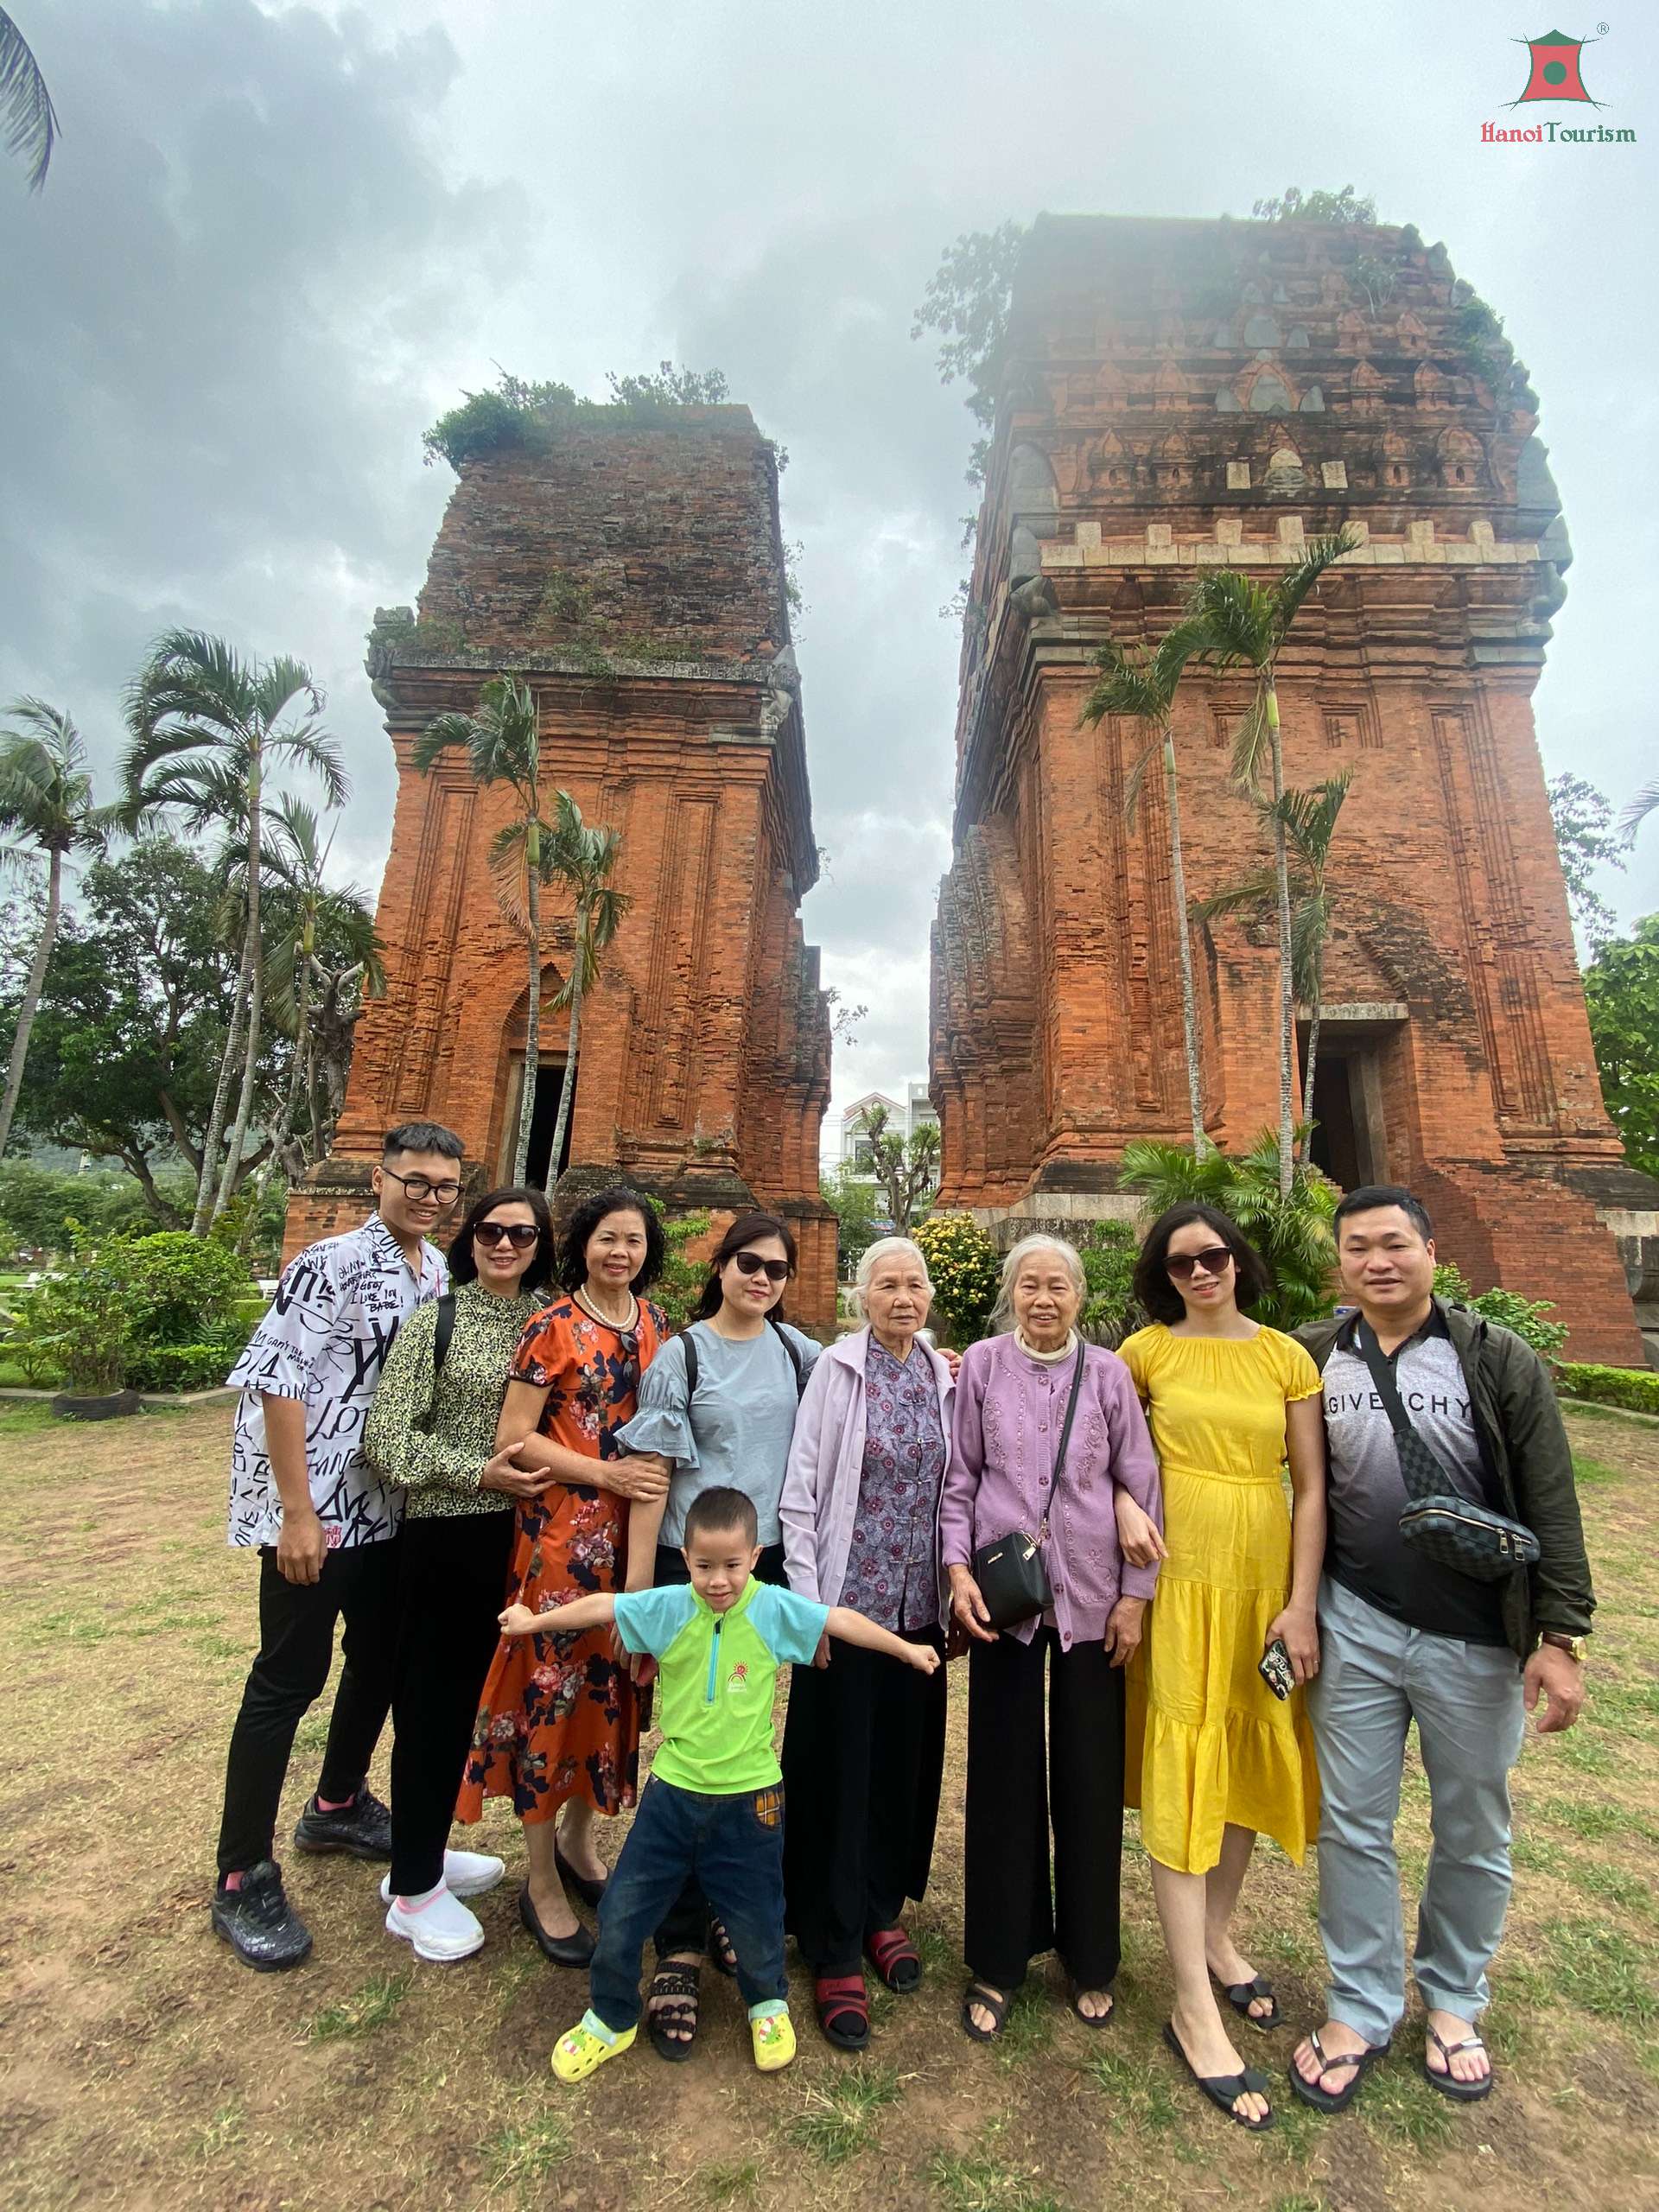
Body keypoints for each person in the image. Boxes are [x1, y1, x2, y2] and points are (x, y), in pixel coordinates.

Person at [1289, 1185, 1593, 2114]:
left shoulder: (1495, 1357)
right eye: (1358, 1248)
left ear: (1430, 1251)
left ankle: (1455, 1997)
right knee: (1353, 1823)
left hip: (1475, 1635)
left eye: (1394, 1244)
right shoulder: (1315, 1355)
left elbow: (1550, 1494)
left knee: (1473, 1824)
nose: (1377, 1262)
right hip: (1357, 1621)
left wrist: (1559, 1636)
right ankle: (1361, 2004)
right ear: (1340, 1261)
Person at [498, 1486, 943, 2083]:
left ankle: (768, 2003)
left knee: (757, 1916)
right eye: (704, 1565)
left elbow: (837, 1619)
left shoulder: (771, 1609)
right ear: (685, 1556)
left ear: (755, 1556)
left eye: (732, 1565)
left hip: (752, 1801)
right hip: (672, 1795)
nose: (718, 1581)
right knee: (624, 1911)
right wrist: (533, 1622)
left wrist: (906, 1650)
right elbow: (602, 1607)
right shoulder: (669, 1607)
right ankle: (610, 2017)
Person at [212, 1121, 463, 1970]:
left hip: (389, 1507)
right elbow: (277, 1380)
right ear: (378, 1181)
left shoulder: (435, 1271)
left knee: (381, 1660)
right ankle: (242, 1874)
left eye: (444, 1186)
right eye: (414, 1181)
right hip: (319, 1509)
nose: (429, 1197)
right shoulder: (332, 1261)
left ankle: (337, 1801)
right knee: (286, 1680)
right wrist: (297, 1513)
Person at [1115, 1205, 1326, 2133]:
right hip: (1177, 1577)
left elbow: (1311, 1487)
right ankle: (1192, 2006)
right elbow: (1102, 1450)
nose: (1201, 1272)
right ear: (1164, 1277)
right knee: (1185, 1761)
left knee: (1243, 1752)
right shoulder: (1146, 1353)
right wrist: (1124, 1504)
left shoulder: (1287, 1357)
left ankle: (1214, 1935)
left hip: (1262, 1579)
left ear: (1239, 1260)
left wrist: (1301, 1601)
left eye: (1214, 1256)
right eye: (1181, 1263)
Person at [941, 1232, 1163, 2043]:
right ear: (1011, 1293)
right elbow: (961, 1479)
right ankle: (1000, 1959)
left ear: (1079, 1296)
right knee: (1002, 1776)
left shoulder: (1107, 1375)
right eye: (1029, 1284)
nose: (1043, 1299)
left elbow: (1140, 1482)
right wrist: (956, 1572)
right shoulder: (984, 1367)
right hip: (1005, 1599)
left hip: (1094, 1600)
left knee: (1089, 1776)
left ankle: (1090, 1956)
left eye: (1058, 1286)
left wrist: (1135, 1597)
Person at [610, 1211, 821, 2056]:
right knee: (690, 1750)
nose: (761, 1278)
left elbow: (850, 1401)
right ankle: (679, 1945)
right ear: (721, 1267)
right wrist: (638, 1600)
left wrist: (942, 1363)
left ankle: (729, 1906)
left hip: (760, 1573)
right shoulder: (683, 1355)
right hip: (690, 1573)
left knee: (743, 1743)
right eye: (748, 1263)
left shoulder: (799, 1353)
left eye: (776, 1268)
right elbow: (651, 1476)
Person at [456, 1186, 672, 1966]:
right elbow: (515, 1439)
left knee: (613, 1688)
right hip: (560, 1541)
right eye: (608, 1239)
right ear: (582, 1245)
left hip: (635, 1541)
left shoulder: (656, 1326)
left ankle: (581, 1846)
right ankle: (540, 1878)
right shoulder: (550, 1326)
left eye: (634, 1241)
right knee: (550, 1693)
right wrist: (604, 1474)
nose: (621, 1253)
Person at [362, 1186, 559, 1961]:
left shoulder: (551, 1319)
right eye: (490, 1231)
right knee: (434, 1704)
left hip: (530, 1540)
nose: (504, 1245)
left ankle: (430, 1850)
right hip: (449, 1534)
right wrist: (480, 1472)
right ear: (469, 1239)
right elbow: (388, 1436)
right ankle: (412, 1887)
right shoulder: (438, 1319)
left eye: (522, 1234)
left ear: (542, 1244)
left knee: (495, 1703)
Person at [779, 1235, 954, 2050]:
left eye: (914, 1284)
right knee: (839, 1773)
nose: (902, 1298)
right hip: (847, 1611)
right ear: (861, 1297)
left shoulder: (940, 1374)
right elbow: (800, 1494)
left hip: (918, 1612)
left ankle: (882, 1907)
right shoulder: (836, 1371)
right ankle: (833, 1937)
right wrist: (809, 1610)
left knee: (900, 1766)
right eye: (886, 1285)